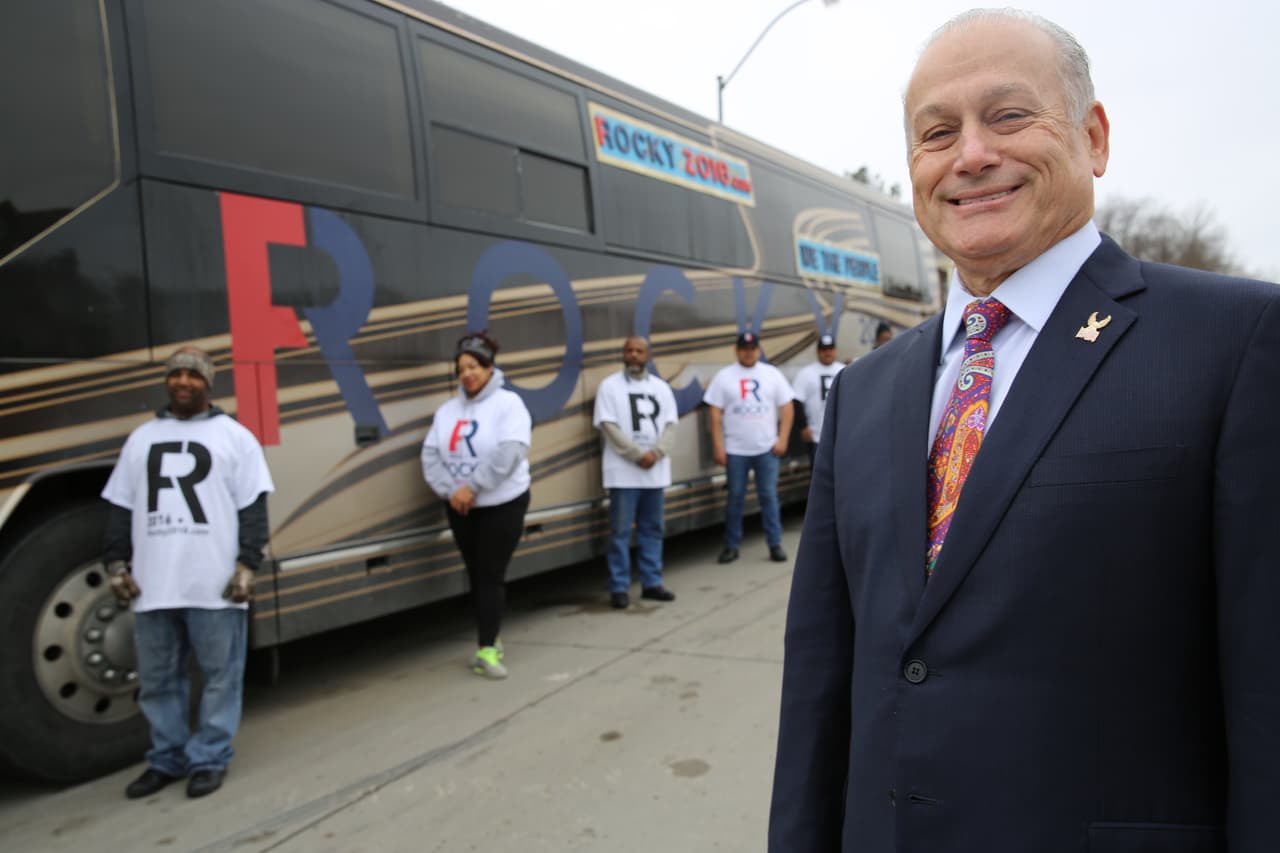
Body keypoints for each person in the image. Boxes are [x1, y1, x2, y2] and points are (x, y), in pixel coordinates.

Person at [770, 9, 1280, 852]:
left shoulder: (1238, 344)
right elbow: (819, 690)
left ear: (1094, 137)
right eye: (938, 132)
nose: (971, 154)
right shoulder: (862, 392)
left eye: (1007, 116)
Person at [101, 347, 273, 800]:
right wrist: (117, 562)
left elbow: (253, 508)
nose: (182, 382)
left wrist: (247, 563)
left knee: (220, 676)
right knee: (158, 681)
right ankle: (167, 759)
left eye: (192, 376)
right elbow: (120, 506)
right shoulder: (140, 439)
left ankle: (209, 758)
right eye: (175, 374)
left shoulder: (236, 438)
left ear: (208, 384)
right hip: (154, 585)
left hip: (213, 584)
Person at [421, 332, 531, 679]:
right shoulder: (447, 411)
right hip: (460, 506)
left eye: (474, 366)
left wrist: (473, 487)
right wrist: (451, 491)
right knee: (476, 572)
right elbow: (430, 454)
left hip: (502, 503)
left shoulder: (508, 404)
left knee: (488, 573)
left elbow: (510, 452)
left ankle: (486, 649)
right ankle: (491, 638)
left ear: (489, 368)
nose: (467, 374)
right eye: (461, 368)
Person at [592, 336, 679, 609]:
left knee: (652, 529)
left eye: (639, 351)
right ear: (623, 354)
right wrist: (636, 454)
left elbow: (671, 426)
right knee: (619, 531)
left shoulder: (661, 388)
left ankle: (651, 583)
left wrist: (656, 453)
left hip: (654, 472)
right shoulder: (609, 387)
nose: (633, 355)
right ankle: (619, 586)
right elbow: (608, 425)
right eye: (629, 350)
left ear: (648, 355)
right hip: (623, 473)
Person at [703, 331, 795, 565]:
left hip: (766, 448)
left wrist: (782, 438)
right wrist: (718, 446)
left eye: (752, 348)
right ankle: (732, 545)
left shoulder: (771, 374)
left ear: (759, 350)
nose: (748, 352)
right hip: (736, 449)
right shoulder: (724, 376)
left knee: (768, 496)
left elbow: (787, 407)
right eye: (744, 348)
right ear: (737, 350)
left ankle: (774, 543)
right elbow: (714, 414)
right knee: (735, 498)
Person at [790, 334, 844, 466]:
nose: (827, 353)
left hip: (842, 435)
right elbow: (796, 401)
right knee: (819, 473)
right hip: (816, 435)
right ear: (818, 352)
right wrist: (803, 427)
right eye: (824, 349)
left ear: (835, 350)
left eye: (830, 349)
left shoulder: (844, 370)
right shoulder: (806, 373)